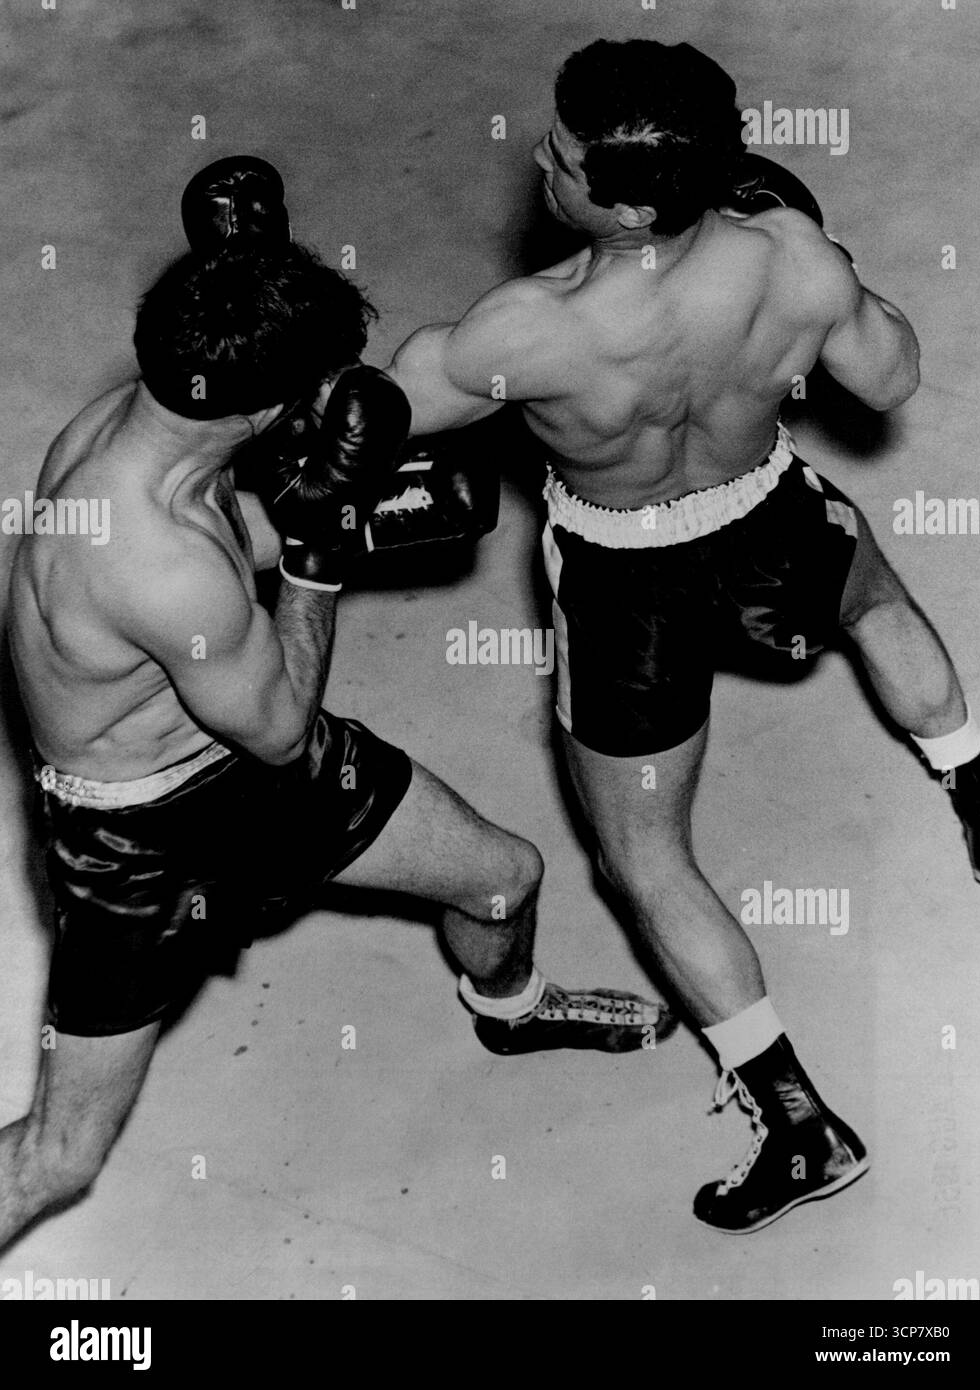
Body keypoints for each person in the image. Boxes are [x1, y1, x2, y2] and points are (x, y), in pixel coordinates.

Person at [383, 38, 980, 1232]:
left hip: (626, 587)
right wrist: (826, 274)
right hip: (768, 509)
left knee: (647, 861)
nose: (539, 165)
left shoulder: (521, 328)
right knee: (872, 600)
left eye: (558, 156)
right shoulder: (791, 257)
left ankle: (801, 1125)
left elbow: (373, 420)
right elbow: (892, 375)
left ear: (615, 202)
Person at [1, 203, 671, 1252]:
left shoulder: (143, 424)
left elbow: (228, 537)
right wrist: (320, 559)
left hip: (215, 730)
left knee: (502, 876)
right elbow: (279, 727)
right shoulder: (161, 565)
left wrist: (343, 507)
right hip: (134, 842)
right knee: (60, 1156)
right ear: (269, 403)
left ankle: (513, 1008)